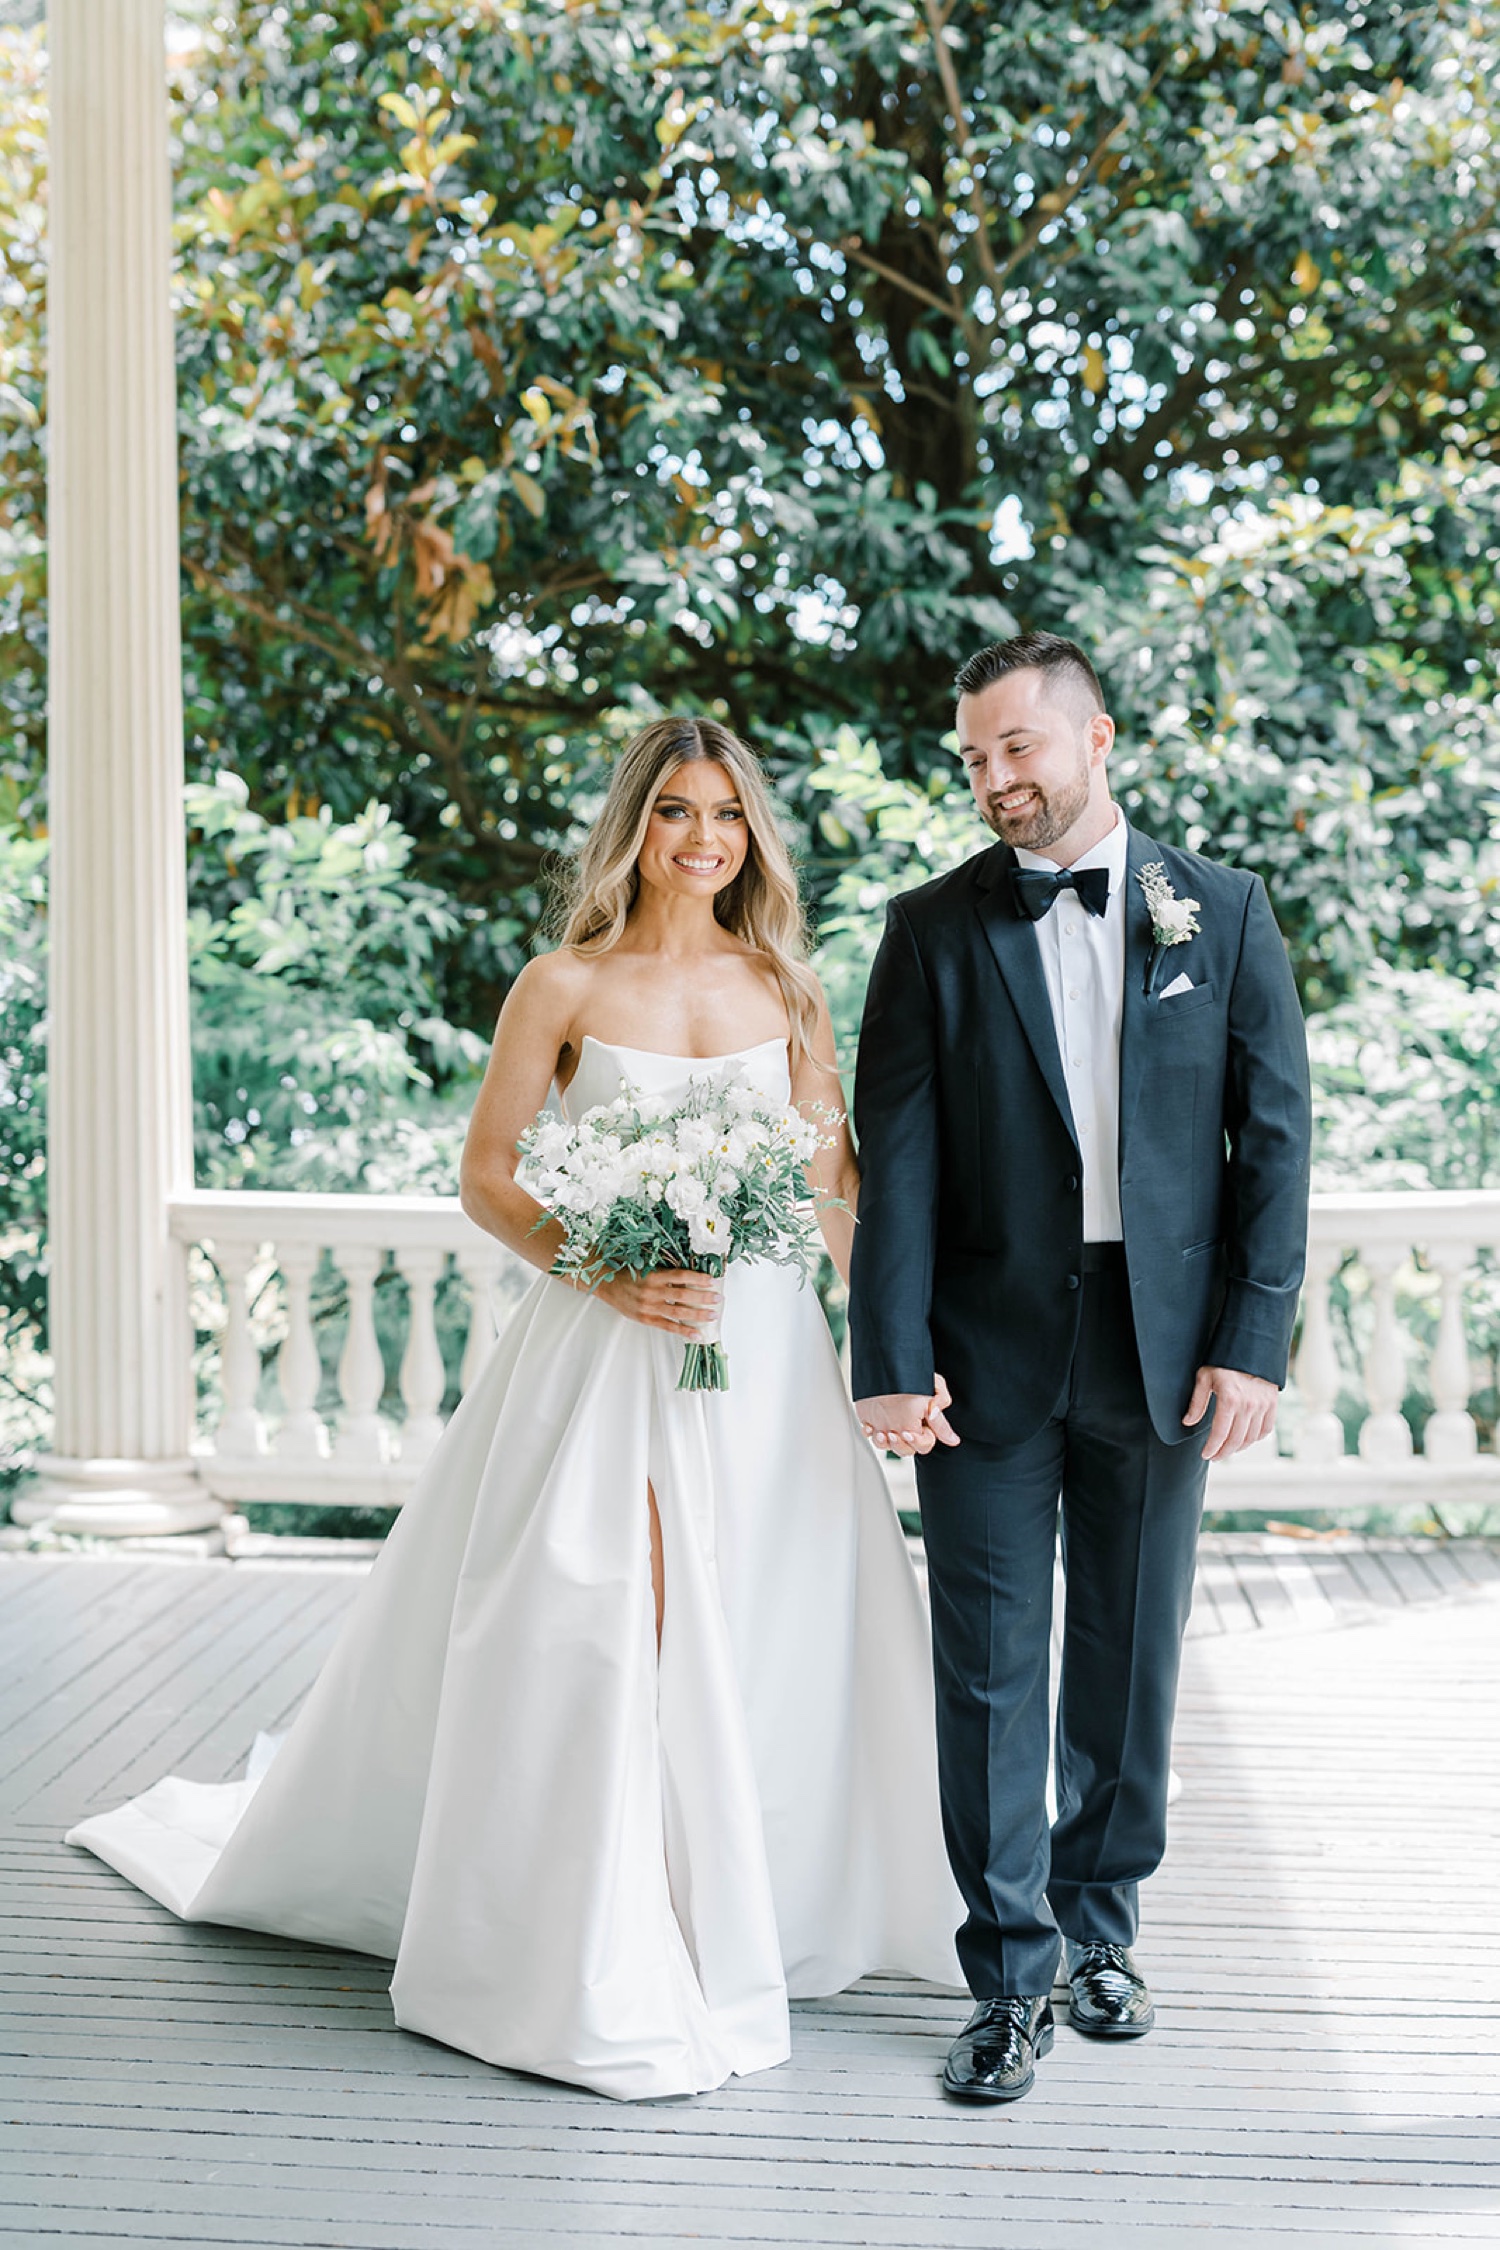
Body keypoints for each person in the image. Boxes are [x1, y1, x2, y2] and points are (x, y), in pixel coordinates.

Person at [68, 716, 962, 2102]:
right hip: (609, 1347)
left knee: (767, 1605)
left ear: (753, 837)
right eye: (675, 811)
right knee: (613, 1609)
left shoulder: (787, 984)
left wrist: (895, 1349)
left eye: (727, 815)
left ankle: (751, 1892)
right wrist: (613, 1270)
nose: (704, 838)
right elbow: (488, 1176)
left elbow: (834, 1181)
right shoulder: (561, 982)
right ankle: (608, 1913)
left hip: (764, 1356)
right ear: (636, 826)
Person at [850, 633, 1311, 2105]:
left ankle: (1104, 1929)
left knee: (1130, 1653)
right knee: (986, 1665)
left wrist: (1252, 1343)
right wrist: (889, 1354)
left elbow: (1277, 1144)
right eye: (974, 757)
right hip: (980, 1360)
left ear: (1094, 737)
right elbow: (898, 1166)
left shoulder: (1221, 913)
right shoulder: (928, 931)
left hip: (1163, 1349)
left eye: (1017, 749)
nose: (994, 779)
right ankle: (1009, 1976)